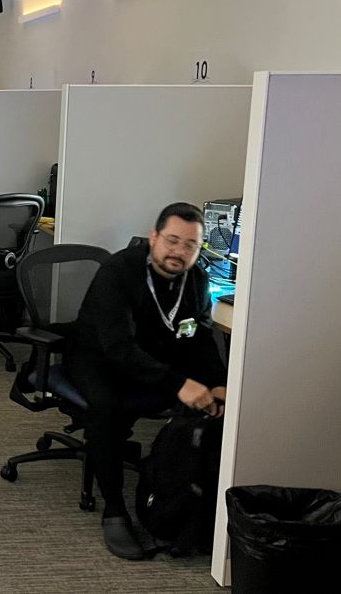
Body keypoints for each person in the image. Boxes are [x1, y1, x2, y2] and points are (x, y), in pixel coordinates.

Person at [65, 202, 228, 561]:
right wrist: (177, 383)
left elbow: (199, 336)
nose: (179, 251)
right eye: (172, 240)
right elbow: (117, 346)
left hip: (154, 361)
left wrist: (217, 381)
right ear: (154, 237)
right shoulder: (118, 272)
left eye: (190, 245)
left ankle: (188, 498)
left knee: (216, 404)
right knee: (107, 408)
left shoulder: (197, 280)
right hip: (98, 359)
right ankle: (114, 510)